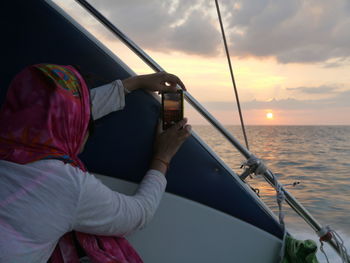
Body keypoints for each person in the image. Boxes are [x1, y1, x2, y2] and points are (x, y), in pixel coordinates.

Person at [0, 64, 191, 263]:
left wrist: (134, 83)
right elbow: (138, 214)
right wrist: (163, 157)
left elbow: (58, 112)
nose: (86, 124)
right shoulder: (66, 186)